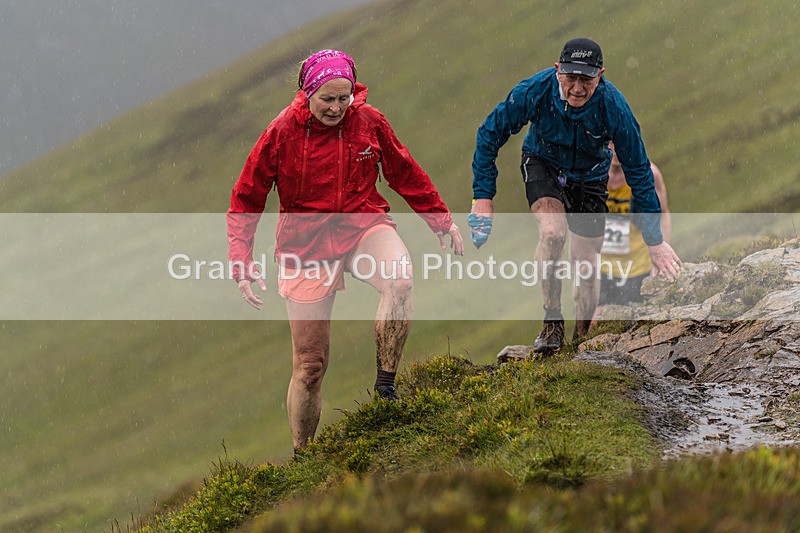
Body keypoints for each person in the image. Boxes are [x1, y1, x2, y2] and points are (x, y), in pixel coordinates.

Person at [227, 49, 464, 452]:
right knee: (309, 366)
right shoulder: (281, 132)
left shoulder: (369, 122)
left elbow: (403, 172)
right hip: (306, 243)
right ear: (308, 93)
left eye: (345, 98)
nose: (337, 108)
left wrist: (441, 219)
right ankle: (304, 454)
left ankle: (385, 391)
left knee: (400, 280)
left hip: (361, 223)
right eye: (328, 99)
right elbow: (247, 197)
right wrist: (241, 259)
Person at [469, 37, 681, 354]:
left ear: (601, 75)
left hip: (591, 175)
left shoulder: (614, 106)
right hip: (543, 163)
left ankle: (581, 340)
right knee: (553, 233)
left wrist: (654, 241)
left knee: (585, 262)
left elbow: (638, 169)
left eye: (587, 79)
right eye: (571, 78)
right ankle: (552, 321)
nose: (578, 88)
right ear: (557, 71)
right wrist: (483, 196)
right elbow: (489, 133)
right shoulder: (535, 90)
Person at [594, 142, 671, 318]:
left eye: (620, 140)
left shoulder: (649, 174)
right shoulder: (591, 172)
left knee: (628, 324)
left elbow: (663, 214)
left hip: (636, 268)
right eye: (610, 142)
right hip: (599, 266)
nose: (615, 149)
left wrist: (657, 262)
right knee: (591, 323)